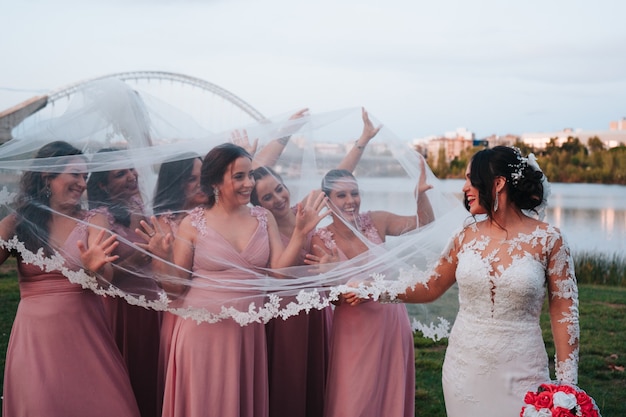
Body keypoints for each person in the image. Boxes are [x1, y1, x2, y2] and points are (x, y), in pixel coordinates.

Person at [358, 146, 579, 417]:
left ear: (498, 184)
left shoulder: (549, 240)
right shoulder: (465, 236)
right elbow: (431, 287)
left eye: (470, 179)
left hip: (523, 369)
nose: (464, 188)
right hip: (464, 368)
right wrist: (374, 289)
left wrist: (568, 385)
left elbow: (564, 312)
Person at [142, 143, 329, 417]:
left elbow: (278, 271)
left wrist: (301, 232)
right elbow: (176, 285)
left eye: (249, 175)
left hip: (246, 333)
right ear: (216, 181)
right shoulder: (192, 223)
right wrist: (160, 258)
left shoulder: (263, 217)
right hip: (201, 331)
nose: (248, 184)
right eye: (239, 177)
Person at [249, 107, 381, 417]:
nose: (278, 198)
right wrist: (286, 133)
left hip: (316, 308)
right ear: (258, 204)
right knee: (286, 383)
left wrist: (362, 141)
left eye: (279, 189)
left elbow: (336, 180)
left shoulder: (304, 210)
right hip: (282, 316)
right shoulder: (257, 228)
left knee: (318, 380)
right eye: (267, 197)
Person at [0, 141, 140, 417]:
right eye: (75, 174)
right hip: (36, 342)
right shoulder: (20, 222)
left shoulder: (94, 220)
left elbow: (105, 281)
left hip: (86, 335)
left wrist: (93, 268)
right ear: (47, 175)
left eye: (85, 177)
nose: (82, 183)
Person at [305, 164, 434, 417]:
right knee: (353, 398)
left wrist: (420, 197)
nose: (351, 201)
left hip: (390, 321)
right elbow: (335, 299)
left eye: (354, 193)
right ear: (328, 202)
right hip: (353, 329)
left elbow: (425, 223)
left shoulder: (377, 221)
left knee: (390, 392)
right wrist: (334, 278)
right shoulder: (321, 238)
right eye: (341, 195)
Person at [87, 148, 162, 417]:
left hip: (155, 304)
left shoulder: (142, 205)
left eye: (131, 169)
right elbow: (101, 275)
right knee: (131, 376)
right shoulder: (101, 217)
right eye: (121, 174)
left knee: (156, 373)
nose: (132, 176)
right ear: (102, 185)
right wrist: (140, 259)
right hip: (123, 308)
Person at [151, 152, 208, 414]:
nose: (200, 184)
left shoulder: (214, 216)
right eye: (191, 179)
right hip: (181, 315)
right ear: (175, 183)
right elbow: (166, 282)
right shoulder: (164, 224)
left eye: (203, 177)